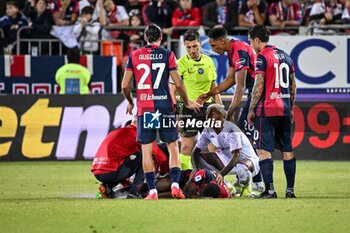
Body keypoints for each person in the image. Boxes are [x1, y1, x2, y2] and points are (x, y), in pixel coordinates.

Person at [122, 23, 201, 200]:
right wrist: (187, 101)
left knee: (147, 150)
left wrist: (130, 102)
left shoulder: (134, 55)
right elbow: (178, 83)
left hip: (145, 108)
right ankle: (174, 185)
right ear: (160, 38)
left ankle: (152, 191)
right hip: (165, 107)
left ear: (145, 38)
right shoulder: (167, 54)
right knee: (173, 146)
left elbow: (125, 85)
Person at [196, 26, 264, 192]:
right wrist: (209, 94)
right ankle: (252, 182)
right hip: (255, 94)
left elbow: (239, 87)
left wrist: (231, 111)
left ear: (223, 41)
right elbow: (230, 80)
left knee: (245, 138)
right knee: (245, 139)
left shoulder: (239, 50)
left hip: (260, 96)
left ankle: (257, 184)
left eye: (213, 45)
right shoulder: (232, 51)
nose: (212, 49)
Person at [247, 24, 297, 198]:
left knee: (263, 150)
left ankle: (270, 190)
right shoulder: (286, 56)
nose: (251, 45)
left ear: (257, 40)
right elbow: (293, 86)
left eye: (251, 42)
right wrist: (290, 106)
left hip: (266, 109)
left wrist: (251, 109)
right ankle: (290, 191)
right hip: (284, 108)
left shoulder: (261, 57)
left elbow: (259, 85)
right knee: (287, 150)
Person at [171, 29, 222, 171]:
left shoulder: (209, 61)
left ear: (200, 44)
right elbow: (173, 88)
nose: (192, 50)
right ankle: (185, 179)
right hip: (189, 108)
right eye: (188, 47)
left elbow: (214, 86)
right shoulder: (180, 63)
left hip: (209, 108)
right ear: (184, 46)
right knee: (187, 146)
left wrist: (221, 107)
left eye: (195, 46)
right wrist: (175, 113)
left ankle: (217, 180)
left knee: (214, 145)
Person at [191, 104, 261, 196]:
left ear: (221, 116)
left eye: (212, 114)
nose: (208, 117)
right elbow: (195, 152)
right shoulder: (207, 130)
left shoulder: (231, 130)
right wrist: (196, 168)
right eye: (207, 114)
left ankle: (245, 186)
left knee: (241, 167)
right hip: (227, 160)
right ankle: (227, 186)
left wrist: (221, 174)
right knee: (200, 158)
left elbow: (237, 156)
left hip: (248, 162)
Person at [91, 120, 169, 199]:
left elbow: (118, 160)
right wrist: (163, 173)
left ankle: (107, 187)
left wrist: (125, 183)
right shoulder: (139, 133)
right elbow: (162, 158)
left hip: (98, 171)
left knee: (136, 156)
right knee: (145, 154)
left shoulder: (118, 132)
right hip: (111, 172)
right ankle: (134, 191)